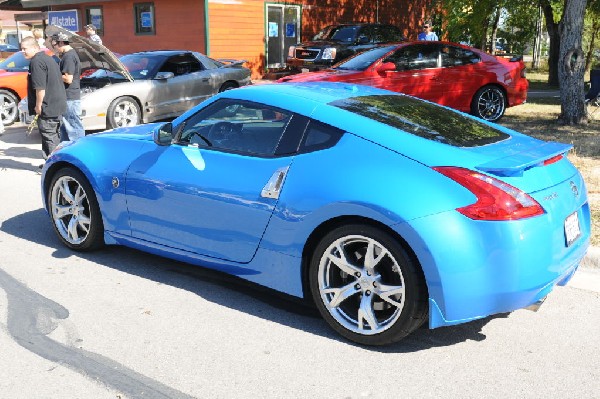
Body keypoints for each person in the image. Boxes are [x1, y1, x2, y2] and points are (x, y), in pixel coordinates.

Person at [21, 36, 66, 166]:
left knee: (50, 137)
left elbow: (40, 87)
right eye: (22, 49)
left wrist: (38, 105)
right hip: (57, 104)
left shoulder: (36, 62)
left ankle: (54, 166)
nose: (23, 51)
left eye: (25, 49)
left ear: (35, 48)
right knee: (53, 136)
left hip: (48, 106)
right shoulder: (48, 58)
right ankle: (49, 163)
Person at [52, 31, 85, 142]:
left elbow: (68, 78)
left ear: (61, 42)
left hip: (70, 98)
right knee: (65, 129)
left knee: (74, 128)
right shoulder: (68, 55)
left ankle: (79, 151)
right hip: (68, 97)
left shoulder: (69, 57)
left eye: (55, 45)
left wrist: (55, 73)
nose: (55, 48)